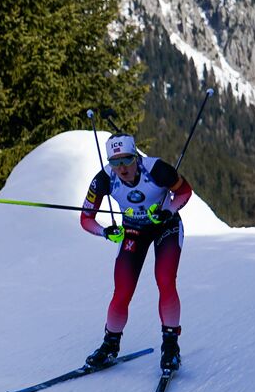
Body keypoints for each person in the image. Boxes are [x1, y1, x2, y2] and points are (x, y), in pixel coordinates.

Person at [79, 133, 194, 373]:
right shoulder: (103, 180)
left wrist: (169, 210)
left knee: (165, 281)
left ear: (137, 157)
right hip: (133, 230)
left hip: (165, 226)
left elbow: (184, 192)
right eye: (115, 162)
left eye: (127, 160)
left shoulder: (158, 169)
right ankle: (110, 345)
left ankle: (171, 347)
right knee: (122, 291)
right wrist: (105, 231)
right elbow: (86, 218)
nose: (122, 168)